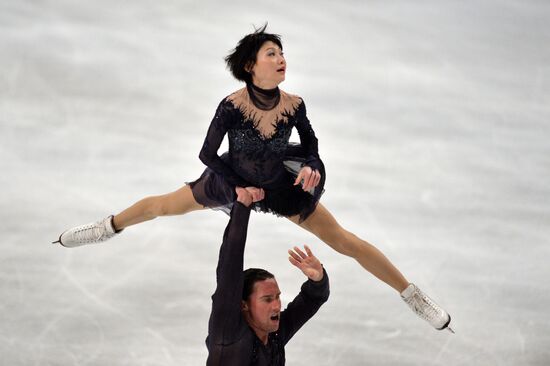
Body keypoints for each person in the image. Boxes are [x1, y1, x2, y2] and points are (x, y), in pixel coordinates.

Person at [53, 24, 453, 332]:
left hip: (280, 186)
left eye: (282, 53)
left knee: (345, 241)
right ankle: (106, 227)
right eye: (271, 53)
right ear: (250, 65)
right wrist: (235, 187)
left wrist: (312, 165)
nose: (281, 59)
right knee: (161, 206)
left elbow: (311, 145)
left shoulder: (294, 104)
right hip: (230, 178)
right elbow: (207, 154)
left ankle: (412, 295)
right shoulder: (232, 106)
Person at [207, 187, 329, 365]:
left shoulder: (275, 335)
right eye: (267, 299)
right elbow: (229, 264)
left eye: (277, 297)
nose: (276, 305)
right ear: (243, 305)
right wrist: (241, 207)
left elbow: (312, 299)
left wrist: (318, 279)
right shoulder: (229, 335)